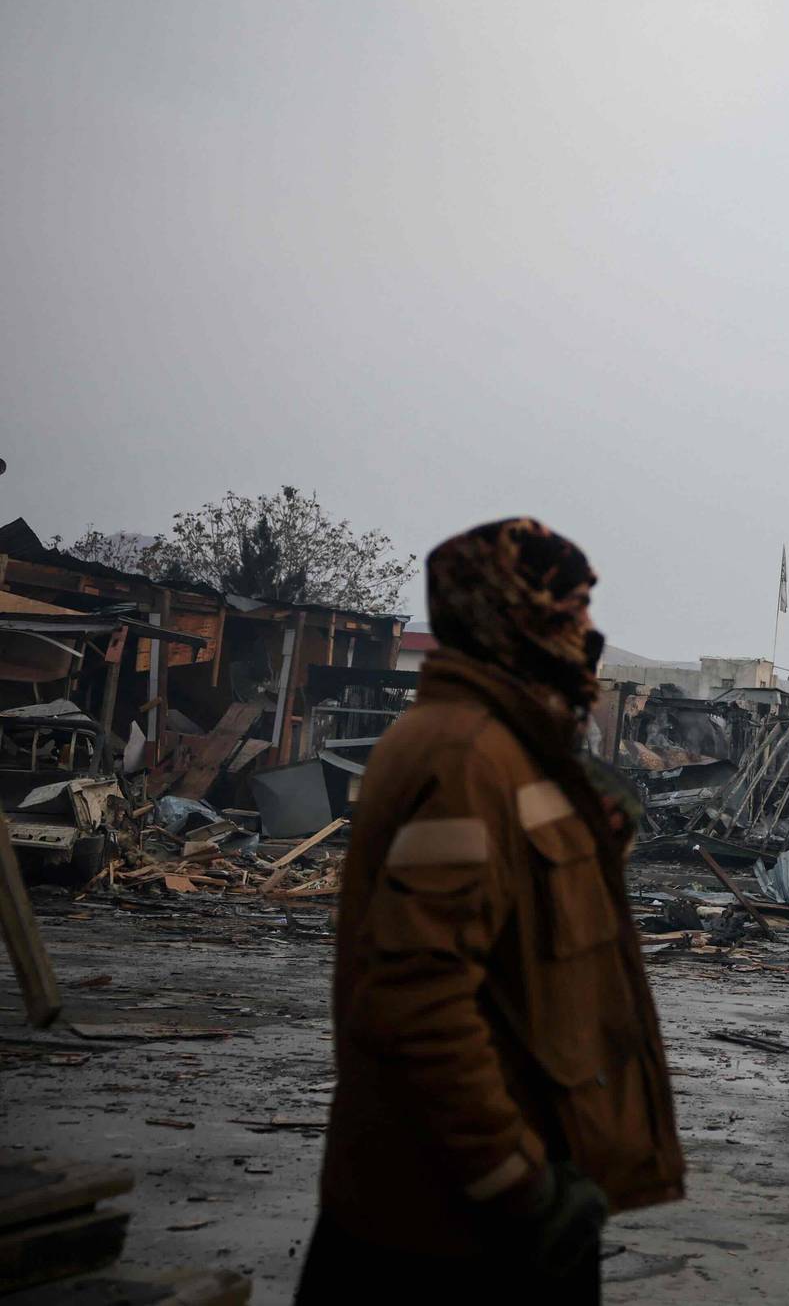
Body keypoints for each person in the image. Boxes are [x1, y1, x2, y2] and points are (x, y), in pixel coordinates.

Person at [299, 519, 683, 1303]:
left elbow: (524, 937)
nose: (588, 633)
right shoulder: (467, 758)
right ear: (509, 619)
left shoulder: (505, 748)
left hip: (477, 1220)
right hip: (448, 1236)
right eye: (567, 610)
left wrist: (588, 827)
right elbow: (417, 1003)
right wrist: (518, 1182)